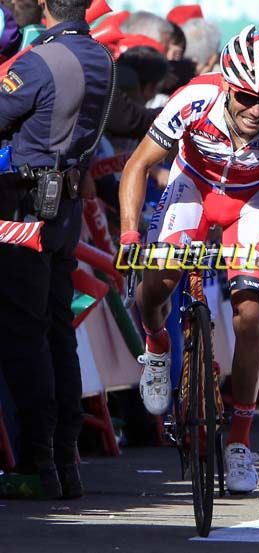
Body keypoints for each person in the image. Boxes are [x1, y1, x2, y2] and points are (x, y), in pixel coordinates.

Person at [118, 25, 259, 493]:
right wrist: (128, 232)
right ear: (227, 83)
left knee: (249, 315)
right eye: (246, 96)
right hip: (191, 188)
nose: (257, 109)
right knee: (159, 283)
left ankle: (240, 444)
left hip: (251, 200)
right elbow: (138, 165)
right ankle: (158, 347)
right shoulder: (192, 100)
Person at [0, 0, 113, 499]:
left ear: (45, 5)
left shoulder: (41, 59)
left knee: (25, 337)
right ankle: (65, 459)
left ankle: (35, 462)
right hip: (64, 210)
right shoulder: (101, 57)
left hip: (27, 209)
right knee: (56, 332)